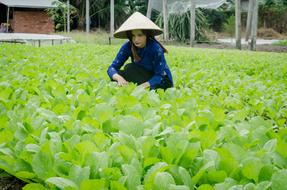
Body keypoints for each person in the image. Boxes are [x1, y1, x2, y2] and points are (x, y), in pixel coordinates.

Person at [107, 12, 173, 90]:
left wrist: (143, 86)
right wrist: (119, 79)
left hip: (161, 80)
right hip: (141, 75)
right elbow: (112, 68)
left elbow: (159, 75)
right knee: (117, 75)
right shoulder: (128, 46)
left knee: (129, 68)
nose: (136, 39)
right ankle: (126, 84)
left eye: (140, 35)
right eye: (133, 36)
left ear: (146, 35)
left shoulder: (155, 48)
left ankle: (142, 87)